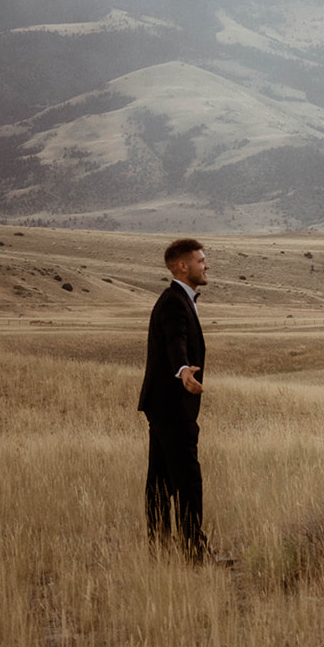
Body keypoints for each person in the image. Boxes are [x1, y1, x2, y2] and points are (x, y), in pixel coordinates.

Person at [138, 237, 211, 562]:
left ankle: (160, 548)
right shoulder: (172, 303)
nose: (206, 265)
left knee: (160, 480)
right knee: (187, 479)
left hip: (163, 406)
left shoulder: (179, 300)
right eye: (200, 260)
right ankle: (195, 552)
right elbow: (175, 340)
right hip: (172, 406)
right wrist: (183, 369)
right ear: (182, 266)